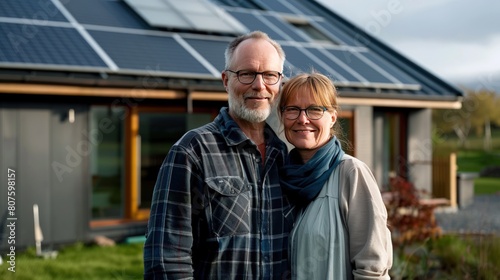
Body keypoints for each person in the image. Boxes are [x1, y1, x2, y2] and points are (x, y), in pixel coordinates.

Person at [143, 31, 295, 279]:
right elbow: (166, 260)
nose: (259, 85)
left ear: (280, 83)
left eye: (270, 75)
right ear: (226, 80)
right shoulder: (192, 151)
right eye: (246, 74)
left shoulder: (285, 156)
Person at [278, 72, 393, 279]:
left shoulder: (351, 174)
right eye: (293, 109)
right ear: (282, 116)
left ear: (332, 117)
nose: (303, 119)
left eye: (314, 110)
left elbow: (372, 268)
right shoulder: (278, 177)